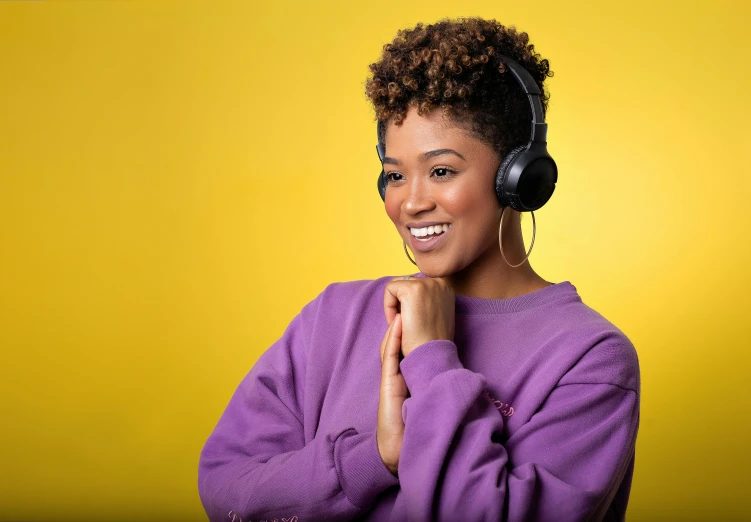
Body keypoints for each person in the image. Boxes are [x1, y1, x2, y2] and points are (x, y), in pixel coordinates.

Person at [198, 16, 640, 522]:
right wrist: (375, 459)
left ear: (518, 177)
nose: (410, 203)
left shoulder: (590, 358)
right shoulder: (332, 317)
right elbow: (226, 487)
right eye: (393, 175)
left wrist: (433, 357)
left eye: (441, 171)